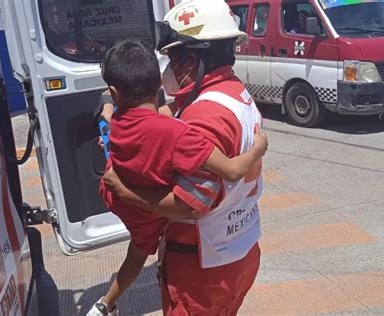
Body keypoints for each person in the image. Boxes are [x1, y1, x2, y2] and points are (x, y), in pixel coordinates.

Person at [99, 0, 267, 314]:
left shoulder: (204, 117)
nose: (170, 68)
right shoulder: (232, 92)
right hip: (240, 249)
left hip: (202, 267)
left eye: (174, 58)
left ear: (191, 60)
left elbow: (192, 205)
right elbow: (166, 119)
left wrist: (125, 191)